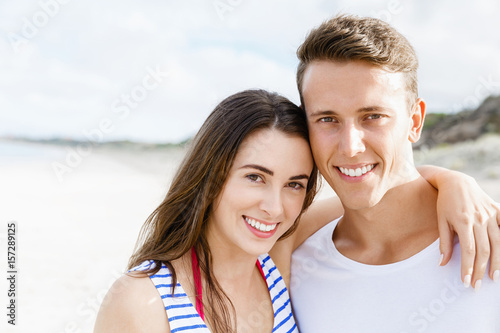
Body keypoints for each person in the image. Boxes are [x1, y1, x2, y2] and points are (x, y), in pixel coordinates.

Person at [94, 88, 496, 333]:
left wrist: (452, 181)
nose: (273, 207)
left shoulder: (274, 266)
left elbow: (372, 191)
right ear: (211, 176)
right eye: (254, 177)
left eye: (294, 185)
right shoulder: (141, 300)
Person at [290, 14, 500, 332]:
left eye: (373, 116)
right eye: (327, 119)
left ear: (414, 122)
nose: (350, 147)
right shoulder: (294, 265)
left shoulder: (490, 240)